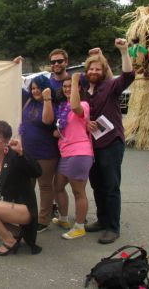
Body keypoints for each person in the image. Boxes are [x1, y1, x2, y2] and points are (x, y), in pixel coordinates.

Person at [83, 38, 135, 244]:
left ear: (103, 71)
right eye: (91, 69)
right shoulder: (84, 92)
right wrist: (86, 123)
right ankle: (102, 220)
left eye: (98, 69)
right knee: (97, 185)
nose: (94, 72)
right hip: (92, 146)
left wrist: (124, 51)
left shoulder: (110, 87)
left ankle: (113, 227)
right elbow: (78, 114)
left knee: (111, 186)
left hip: (111, 143)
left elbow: (128, 75)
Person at [0, 121, 42, 256]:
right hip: (9, 207)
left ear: (6, 139)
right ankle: (16, 232)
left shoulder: (15, 155)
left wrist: (21, 153)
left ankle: (9, 240)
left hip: (24, 209)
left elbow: (37, 172)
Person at [52, 74, 93, 240]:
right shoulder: (64, 107)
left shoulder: (83, 104)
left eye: (71, 86)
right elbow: (63, 129)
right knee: (58, 186)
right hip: (65, 153)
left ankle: (79, 226)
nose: (68, 89)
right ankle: (63, 219)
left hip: (79, 153)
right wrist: (58, 132)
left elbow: (76, 107)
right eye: (65, 86)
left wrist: (75, 80)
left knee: (78, 192)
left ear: (79, 88)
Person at [19, 75, 59, 233]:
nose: (35, 91)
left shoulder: (53, 104)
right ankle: (28, 216)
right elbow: (14, 85)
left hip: (45, 153)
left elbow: (48, 121)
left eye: (39, 88)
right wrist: (16, 65)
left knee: (45, 187)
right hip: (27, 153)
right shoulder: (29, 100)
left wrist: (47, 99)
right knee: (27, 186)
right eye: (33, 88)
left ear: (46, 88)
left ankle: (43, 220)